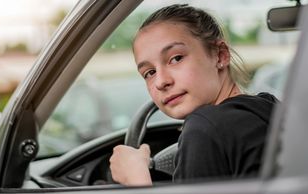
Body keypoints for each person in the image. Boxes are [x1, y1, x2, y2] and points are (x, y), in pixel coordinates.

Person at [109, 4, 278, 186]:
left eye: (176, 58)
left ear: (220, 55)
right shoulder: (267, 106)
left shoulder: (204, 127)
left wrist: (136, 179)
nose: (161, 82)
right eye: (149, 73)